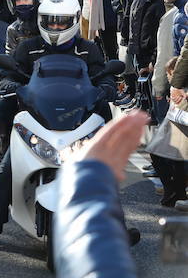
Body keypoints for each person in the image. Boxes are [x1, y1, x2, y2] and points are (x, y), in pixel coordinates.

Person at [0, 0, 115, 245]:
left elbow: (103, 74)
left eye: (62, 22)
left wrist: (107, 85)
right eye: (51, 21)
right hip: (36, 121)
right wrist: (6, 84)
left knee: (106, 169)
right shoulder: (28, 47)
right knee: (5, 170)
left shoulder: (87, 50)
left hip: (79, 123)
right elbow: (9, 74)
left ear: (75, 21)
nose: (56, 27)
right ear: (41, 20)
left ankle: (114, 223)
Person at [53, 110, 147, 278]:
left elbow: (104, 83)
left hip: (82, 120)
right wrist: (9, 85)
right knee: (5, 171)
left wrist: (105, 88)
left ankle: (120, 229)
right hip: (41, 119)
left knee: (111, 182)